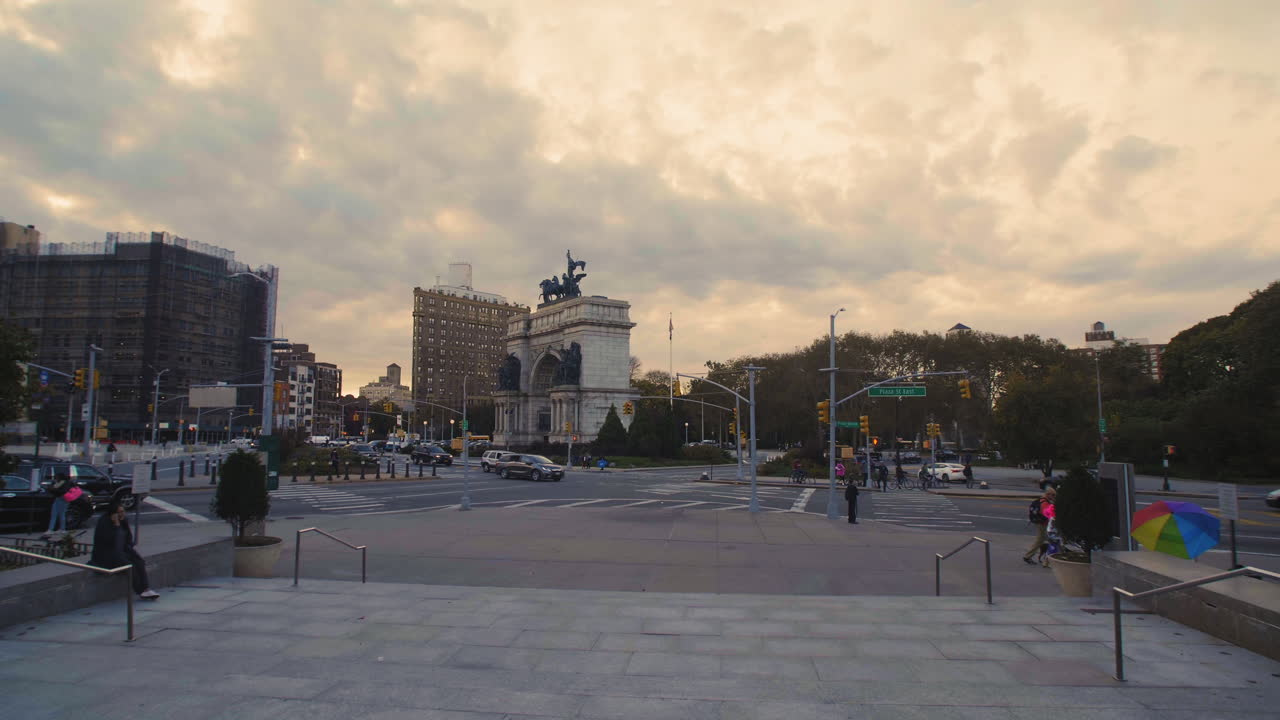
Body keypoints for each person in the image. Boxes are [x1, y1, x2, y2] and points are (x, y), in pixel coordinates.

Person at [90, 499, 159, 599]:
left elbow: (128, 539)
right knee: (130, 566)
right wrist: (116, 526)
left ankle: (146, 588)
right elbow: (110, 541)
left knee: (139, 562)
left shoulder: (124, 521)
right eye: (119, 512)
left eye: (123, 511)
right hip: (108, 555)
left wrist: (131, 551)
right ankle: (140, 590)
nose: (122, 514)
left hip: (122, 551)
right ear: (113, 514)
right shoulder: (104, 523)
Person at [1023, 487, 1056, 566]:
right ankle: (1028, 556)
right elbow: (1046, 513)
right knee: (1041, 540)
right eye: (1053, 495)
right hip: (1042, 524)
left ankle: (1046, 560)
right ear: (1048, 494)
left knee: (1044, 540)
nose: (1054, 497)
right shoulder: (1045, 502)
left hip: (1041, 523)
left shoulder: (1043, 500)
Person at [43, 472, 74, 537]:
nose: (55, 479)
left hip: (60, 498)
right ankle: (62, 529)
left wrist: (49, 488)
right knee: (62, 514)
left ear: (59, 477)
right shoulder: (67, 482)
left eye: (56, 477)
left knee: (54, 514)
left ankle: (50, 529)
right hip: (66, 499)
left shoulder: (61, 482)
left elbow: (55, 489)